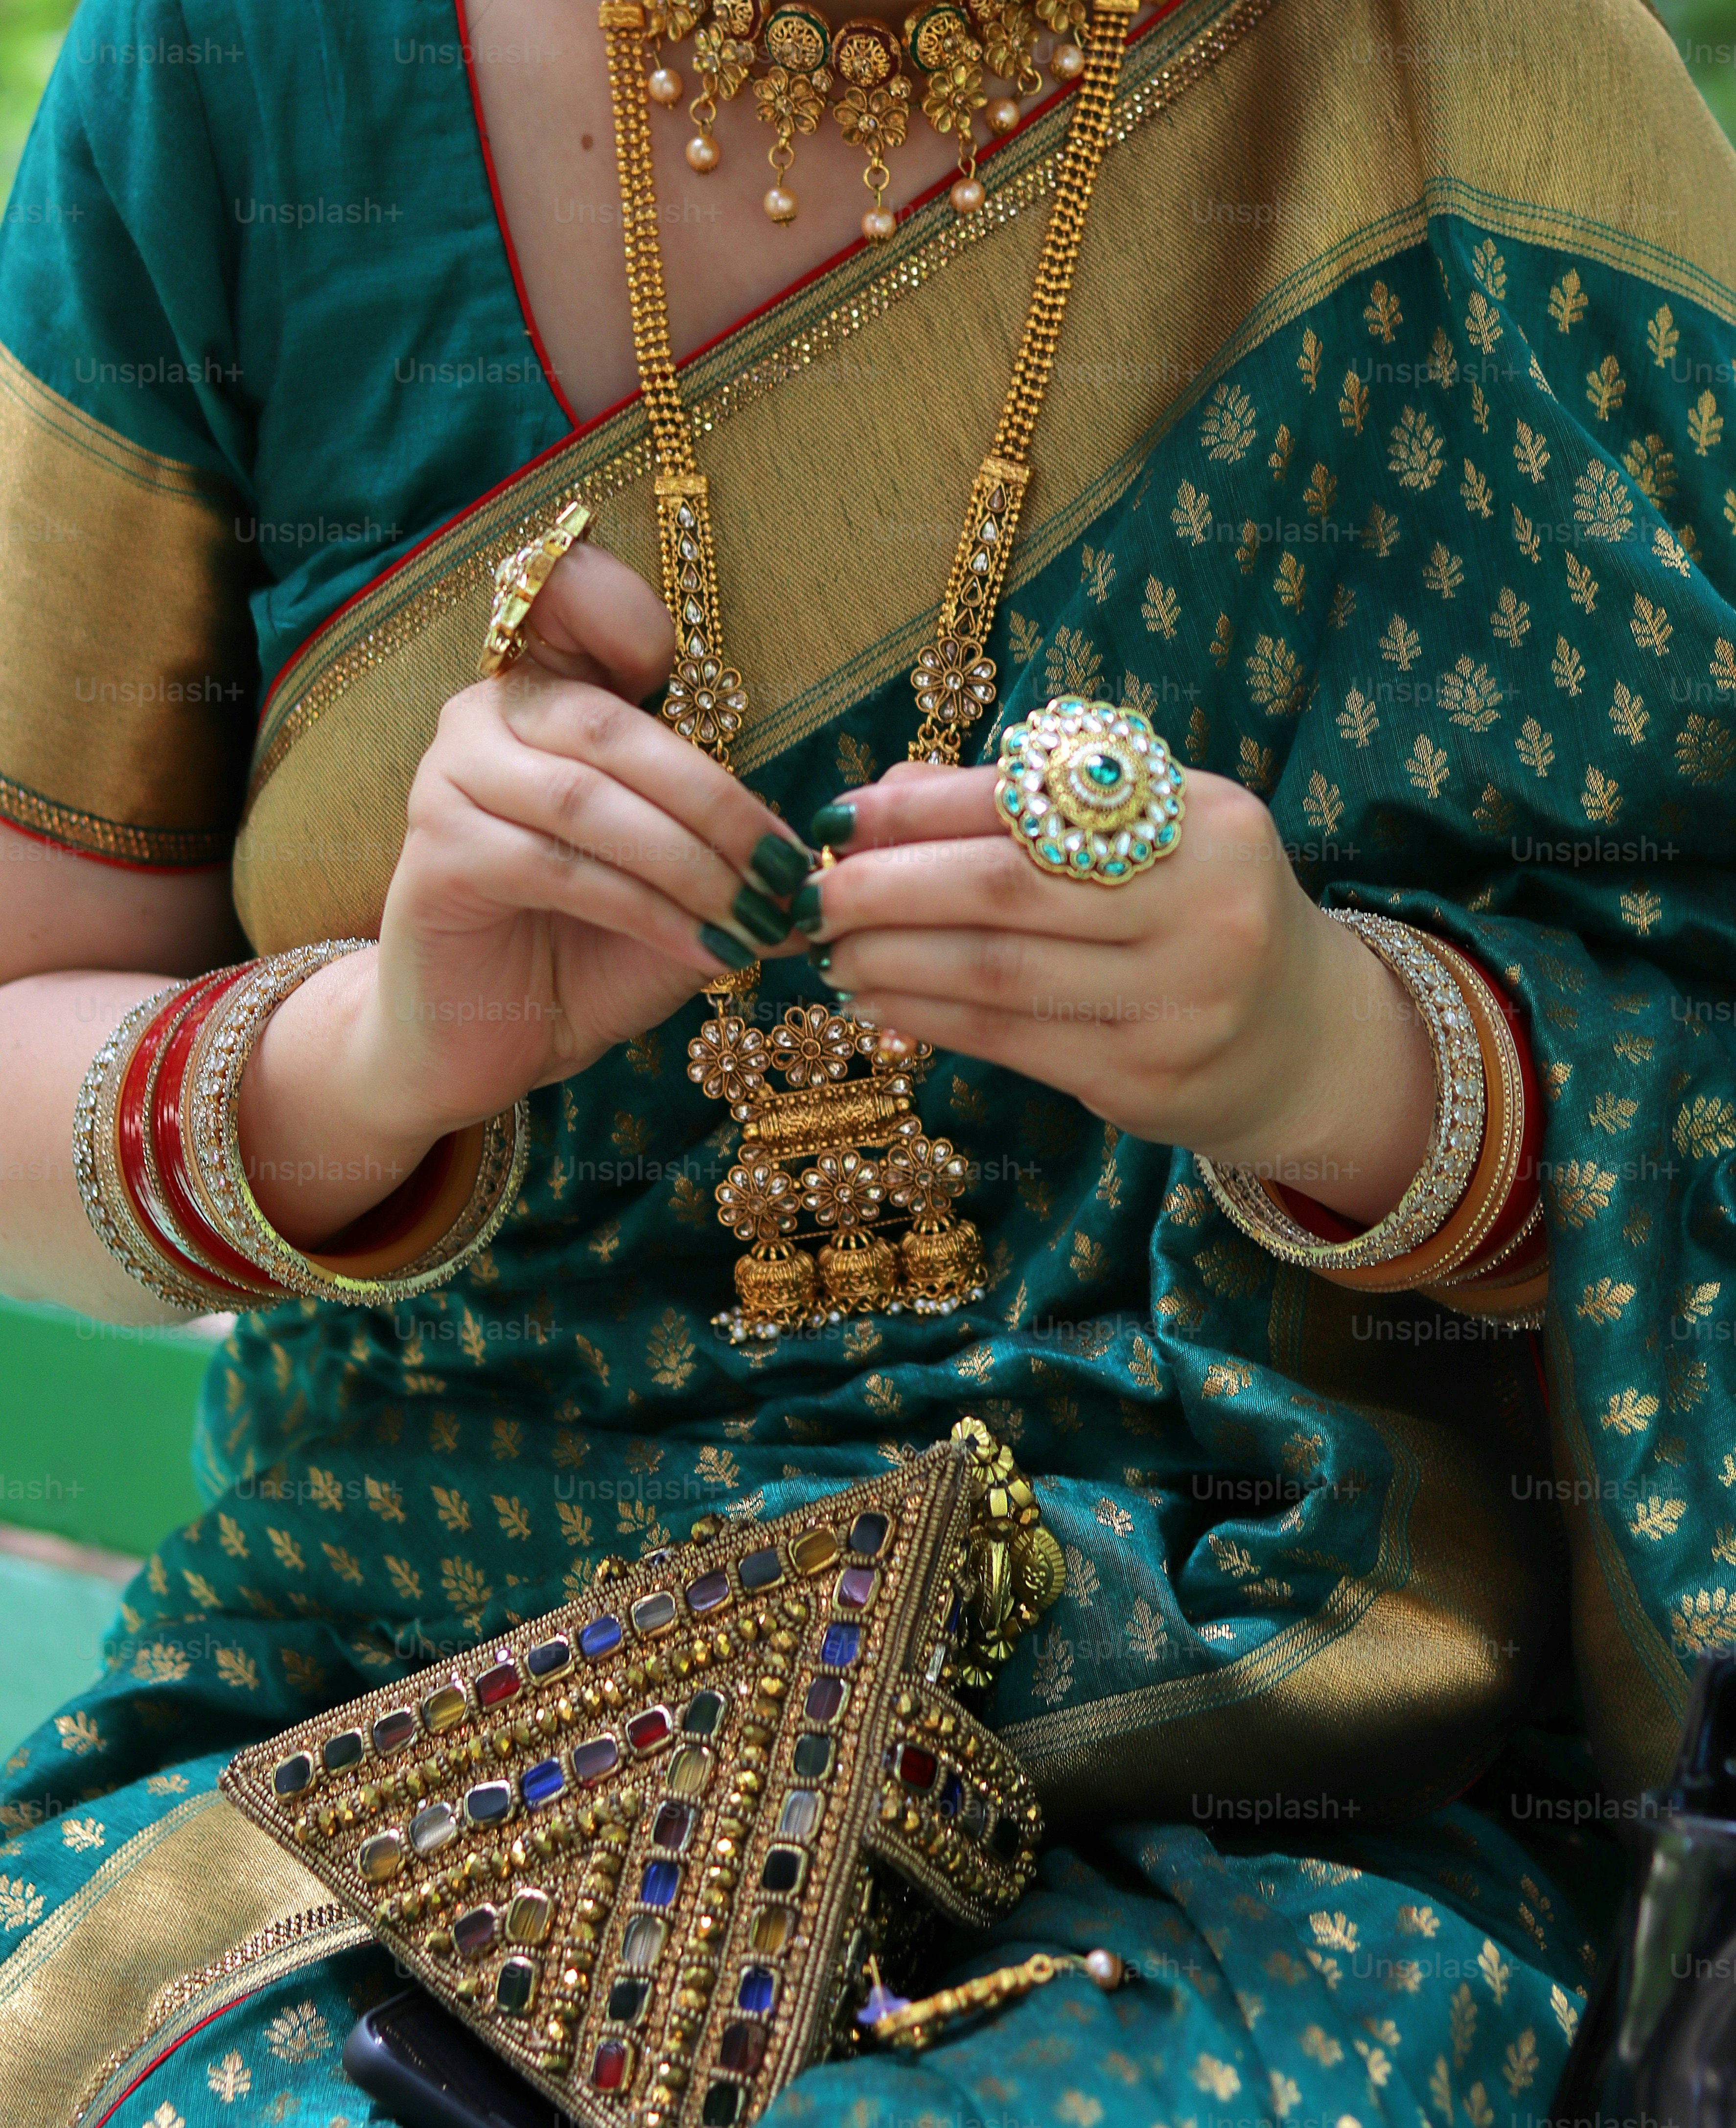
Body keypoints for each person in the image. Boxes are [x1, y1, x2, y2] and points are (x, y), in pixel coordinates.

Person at [0, 0, 1731, 2118]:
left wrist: (1335, 1055)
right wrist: (372, 1055)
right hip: (408, 1687)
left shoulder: (1452, 69)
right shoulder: (235, 76)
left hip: (1285, 1719)